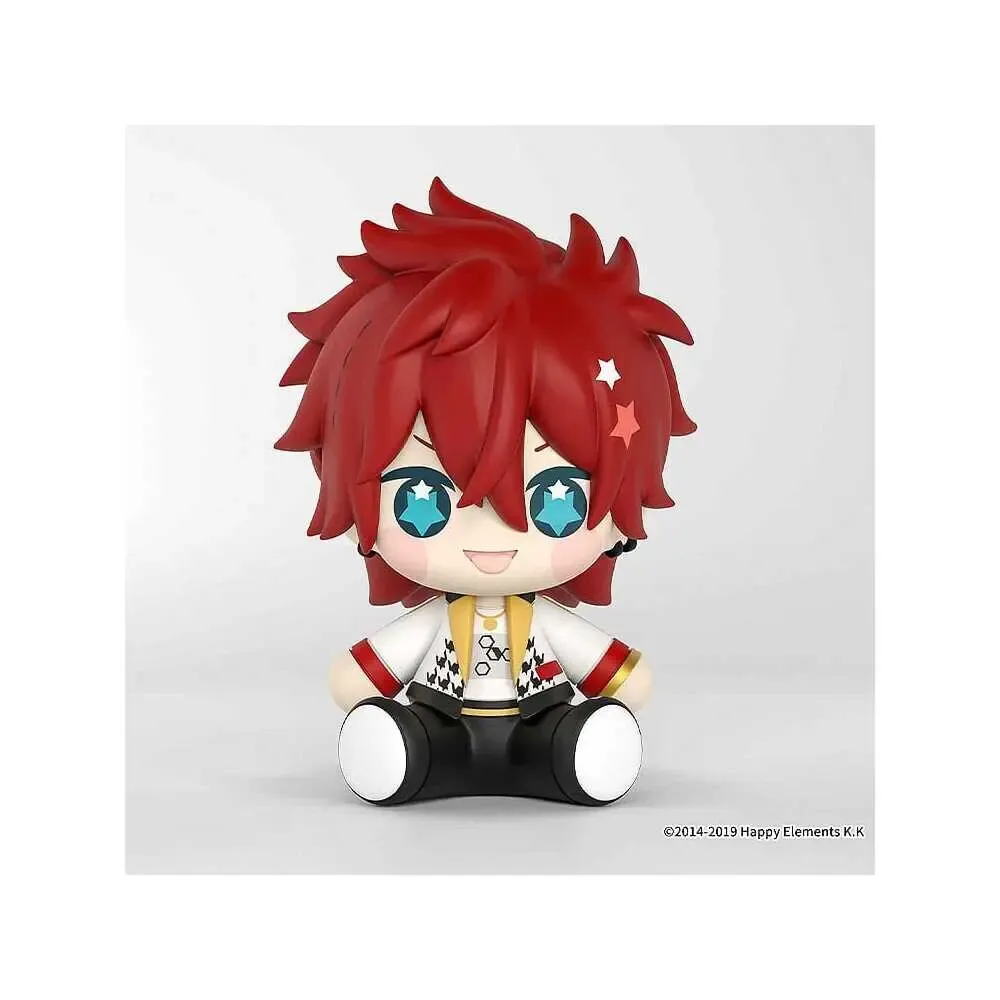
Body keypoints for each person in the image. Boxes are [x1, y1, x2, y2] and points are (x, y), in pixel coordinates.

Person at [276, 178, 696, 805]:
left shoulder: (546, 623)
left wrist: (616, 683)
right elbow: (355, 677)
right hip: (439, 712)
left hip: (541, 713)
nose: (491, 532)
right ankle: (406, 754)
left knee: (567, 739)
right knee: (414, 740)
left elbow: (623, 676)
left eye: (556, 496)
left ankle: (574, 755)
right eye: (424, 493)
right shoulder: (435, 623)